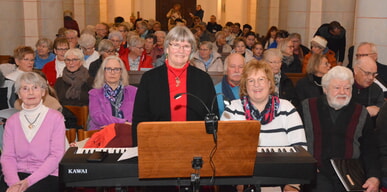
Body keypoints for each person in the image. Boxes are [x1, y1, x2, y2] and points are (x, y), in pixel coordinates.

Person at [221, 59, 306, 192]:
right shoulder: (233, 109)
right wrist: (238, 182)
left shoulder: (287, 109)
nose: (256, 85)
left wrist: (293, 185)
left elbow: (300, 150)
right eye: (251, 80)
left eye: (261, 79)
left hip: (282, 181)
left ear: (269, 83)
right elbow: (224, 149)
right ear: (245, 85)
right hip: (244, 181)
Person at [132, 26, 218, 146]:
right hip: (157, 146)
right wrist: (139, 150)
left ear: (192, 51)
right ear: (167, 48)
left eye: (186, 46)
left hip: (196, 145)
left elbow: (213, 118)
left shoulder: (203, 79)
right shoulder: (150, 79)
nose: (181, 50)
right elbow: (139, 119)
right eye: (176, 45)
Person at [301, 66, 380, 192]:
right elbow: (295, 143)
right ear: (325, 89)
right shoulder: (307, 108)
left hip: (350, 175)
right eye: (337, 88)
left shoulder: (361, 113)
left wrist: (374, 177)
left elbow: (370, 149)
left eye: (347, 88)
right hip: (316, 174)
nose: (343, 92)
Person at [0, 72, 65, 192]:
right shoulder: (12, 121)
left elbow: (56, 157)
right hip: (15, 175)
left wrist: (27, 182)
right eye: (25, 88)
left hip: (46, 175)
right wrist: (14, 184)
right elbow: (8, 157)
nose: (30, 92)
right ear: (19, 94)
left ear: (43, 92)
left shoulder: (56, 118)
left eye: (35, 87)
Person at [88, 56, 137, 130]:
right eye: (108, 69)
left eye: (116, 69)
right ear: (103, 72)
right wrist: (122, 122)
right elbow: (97, 116)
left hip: (128, 132)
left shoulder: (133, 91)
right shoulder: (94, 93)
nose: (112, 72)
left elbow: (138, 114)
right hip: (102, 133)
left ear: (121, 72)